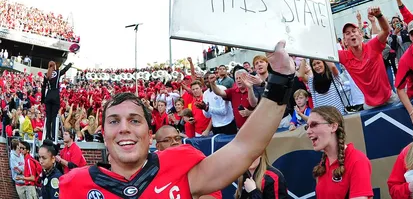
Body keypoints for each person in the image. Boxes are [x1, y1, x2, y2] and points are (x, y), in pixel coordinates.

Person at [59, 41, 295, 198]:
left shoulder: (178, 166)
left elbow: (245, 147)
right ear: (104, 134)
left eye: (134, 120)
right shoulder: (74, 185)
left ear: (150, 133)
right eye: (113, 121)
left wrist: (281, 80)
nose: (123, 129)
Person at [306, 106, 373, 199]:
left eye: (314, 124)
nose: (308, 131)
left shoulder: (357, 160)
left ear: (333, 126)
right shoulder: (323, 165)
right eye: (307, 126)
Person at [340, 7, 398, 110]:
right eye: (347, 34)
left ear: (361, 34)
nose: (352, 34)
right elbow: (323, 52)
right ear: (345, 41)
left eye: (354, 31)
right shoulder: (344, 57)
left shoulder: (372, 46)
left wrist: (379, 16)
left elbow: (386, 30)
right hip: (370, 105)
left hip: (389, 98)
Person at [155, 125, 223, 199]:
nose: (174, 142)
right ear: (158, 146)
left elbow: (213, 195)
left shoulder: (194, 158)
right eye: (167, 140)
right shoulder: (152, 167)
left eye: (177, 138)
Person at [41, 61, 72, 140]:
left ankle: (48, 135)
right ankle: (53, 135)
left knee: (48, 118)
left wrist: (42, 100)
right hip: (55, 96)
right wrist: (70, 64)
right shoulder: (57, 73)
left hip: (48, 96)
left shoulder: (46, 74)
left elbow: (43, 88)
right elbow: (64, 70)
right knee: (54, 117)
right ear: (54, 66)